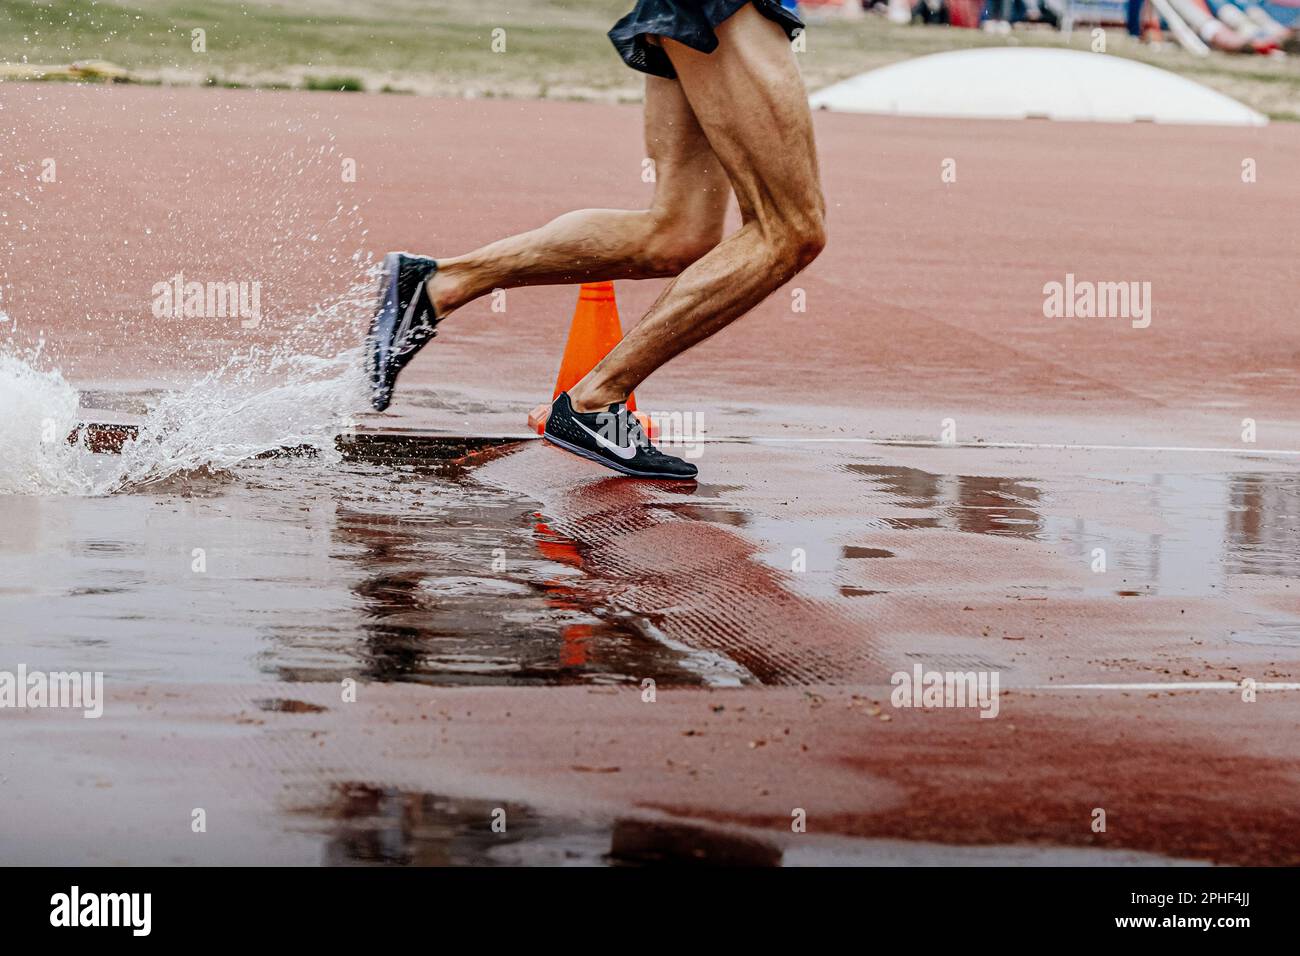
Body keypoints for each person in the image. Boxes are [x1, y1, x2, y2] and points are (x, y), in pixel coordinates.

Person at [366, 1, 827, 479]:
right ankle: (594, 401)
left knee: (677, 234)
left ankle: (440, 285)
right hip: (731, 9)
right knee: (790, 231)